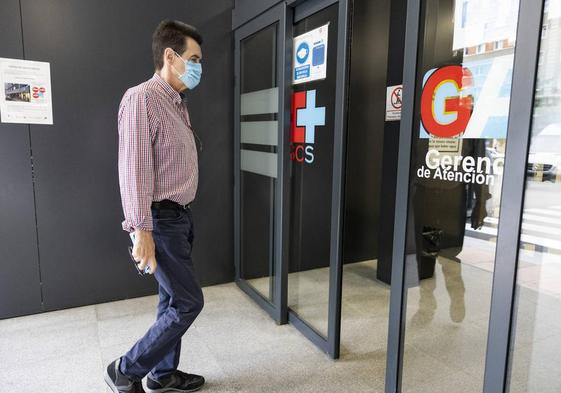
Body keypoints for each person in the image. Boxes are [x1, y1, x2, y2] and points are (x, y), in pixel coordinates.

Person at [104, 19, 205, 393]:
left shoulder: (176, 104)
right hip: (159, 221)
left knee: (171, 300)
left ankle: (161, 376)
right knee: (188, 302)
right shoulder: (142, 99)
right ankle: (125, 369)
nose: (198, 67)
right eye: (193, 58)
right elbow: (134, 171)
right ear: (170, 55)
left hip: (179, 218)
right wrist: (140, 231)